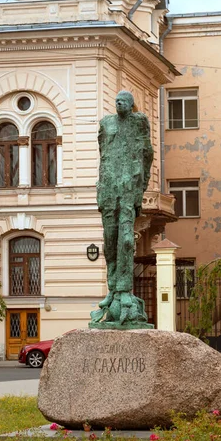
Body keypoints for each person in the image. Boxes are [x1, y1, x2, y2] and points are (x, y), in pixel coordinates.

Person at [92, 90, 153, 325]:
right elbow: (103, 156)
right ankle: (112, 290)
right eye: (116, 99)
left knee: (126, 240)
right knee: (110, 241)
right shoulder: (106, 123)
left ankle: (124, 290)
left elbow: (147, 155)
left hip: (128, 188)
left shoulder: (139, 122)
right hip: (108, 188)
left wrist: (140, 190)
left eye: (123, 100)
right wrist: (101, 188)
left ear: (131, 104)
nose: (118, 102)